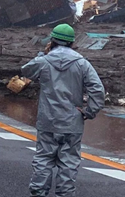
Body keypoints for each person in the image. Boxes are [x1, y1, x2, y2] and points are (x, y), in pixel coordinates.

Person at [21, 24, 105, 197]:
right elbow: (97, 90)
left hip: (47, 120)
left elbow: (25, 71)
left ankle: (38, 192)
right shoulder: (82, 63)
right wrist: (89, 111)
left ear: (52, 40)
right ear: (72, 42)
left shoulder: (44, 61)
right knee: (69, 162)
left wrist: (42, 54)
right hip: (72, 121)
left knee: (44, 159)